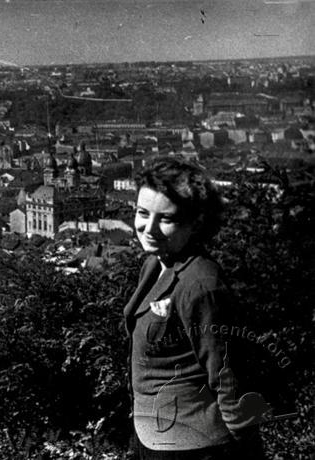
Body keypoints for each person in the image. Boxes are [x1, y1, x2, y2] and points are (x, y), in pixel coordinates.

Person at [124, 158, 265, 459]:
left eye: (166, 218)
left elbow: (227, 377)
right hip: (154, 436)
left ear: (195, 223)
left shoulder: (201, 284)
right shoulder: (155, 264)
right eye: (142, 213)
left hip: (194, 446)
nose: (148, 228)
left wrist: (248, 450)